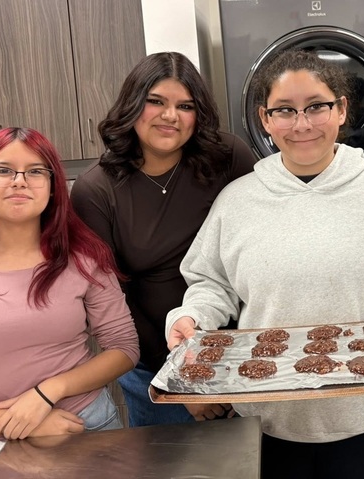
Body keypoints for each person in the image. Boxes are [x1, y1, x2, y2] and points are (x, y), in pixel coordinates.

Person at [165, 49, 364, 479]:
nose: (301, 124)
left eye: (316, 106)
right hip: (268, 421)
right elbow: (211, 283)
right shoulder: (238, 201)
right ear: (265, 119)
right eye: (285, 111)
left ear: (341, 110)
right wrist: (192, 316)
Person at [0, 127, 140, 442]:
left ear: (53, 186)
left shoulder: (85, 260)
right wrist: (20, 421)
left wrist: (48, 392)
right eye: (3, 170)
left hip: (84, 426)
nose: (19, 180)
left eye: (35, 171)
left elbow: (124, 349)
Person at [70, 52, 257, 427]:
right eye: (156, 101)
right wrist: (181, 383)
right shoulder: (96, 190)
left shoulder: (228, 157)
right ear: (132, 104)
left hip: (240, 352)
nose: (170, 116)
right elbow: (113, 302)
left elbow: (259, 246)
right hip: (152, 365)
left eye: (184, 106)